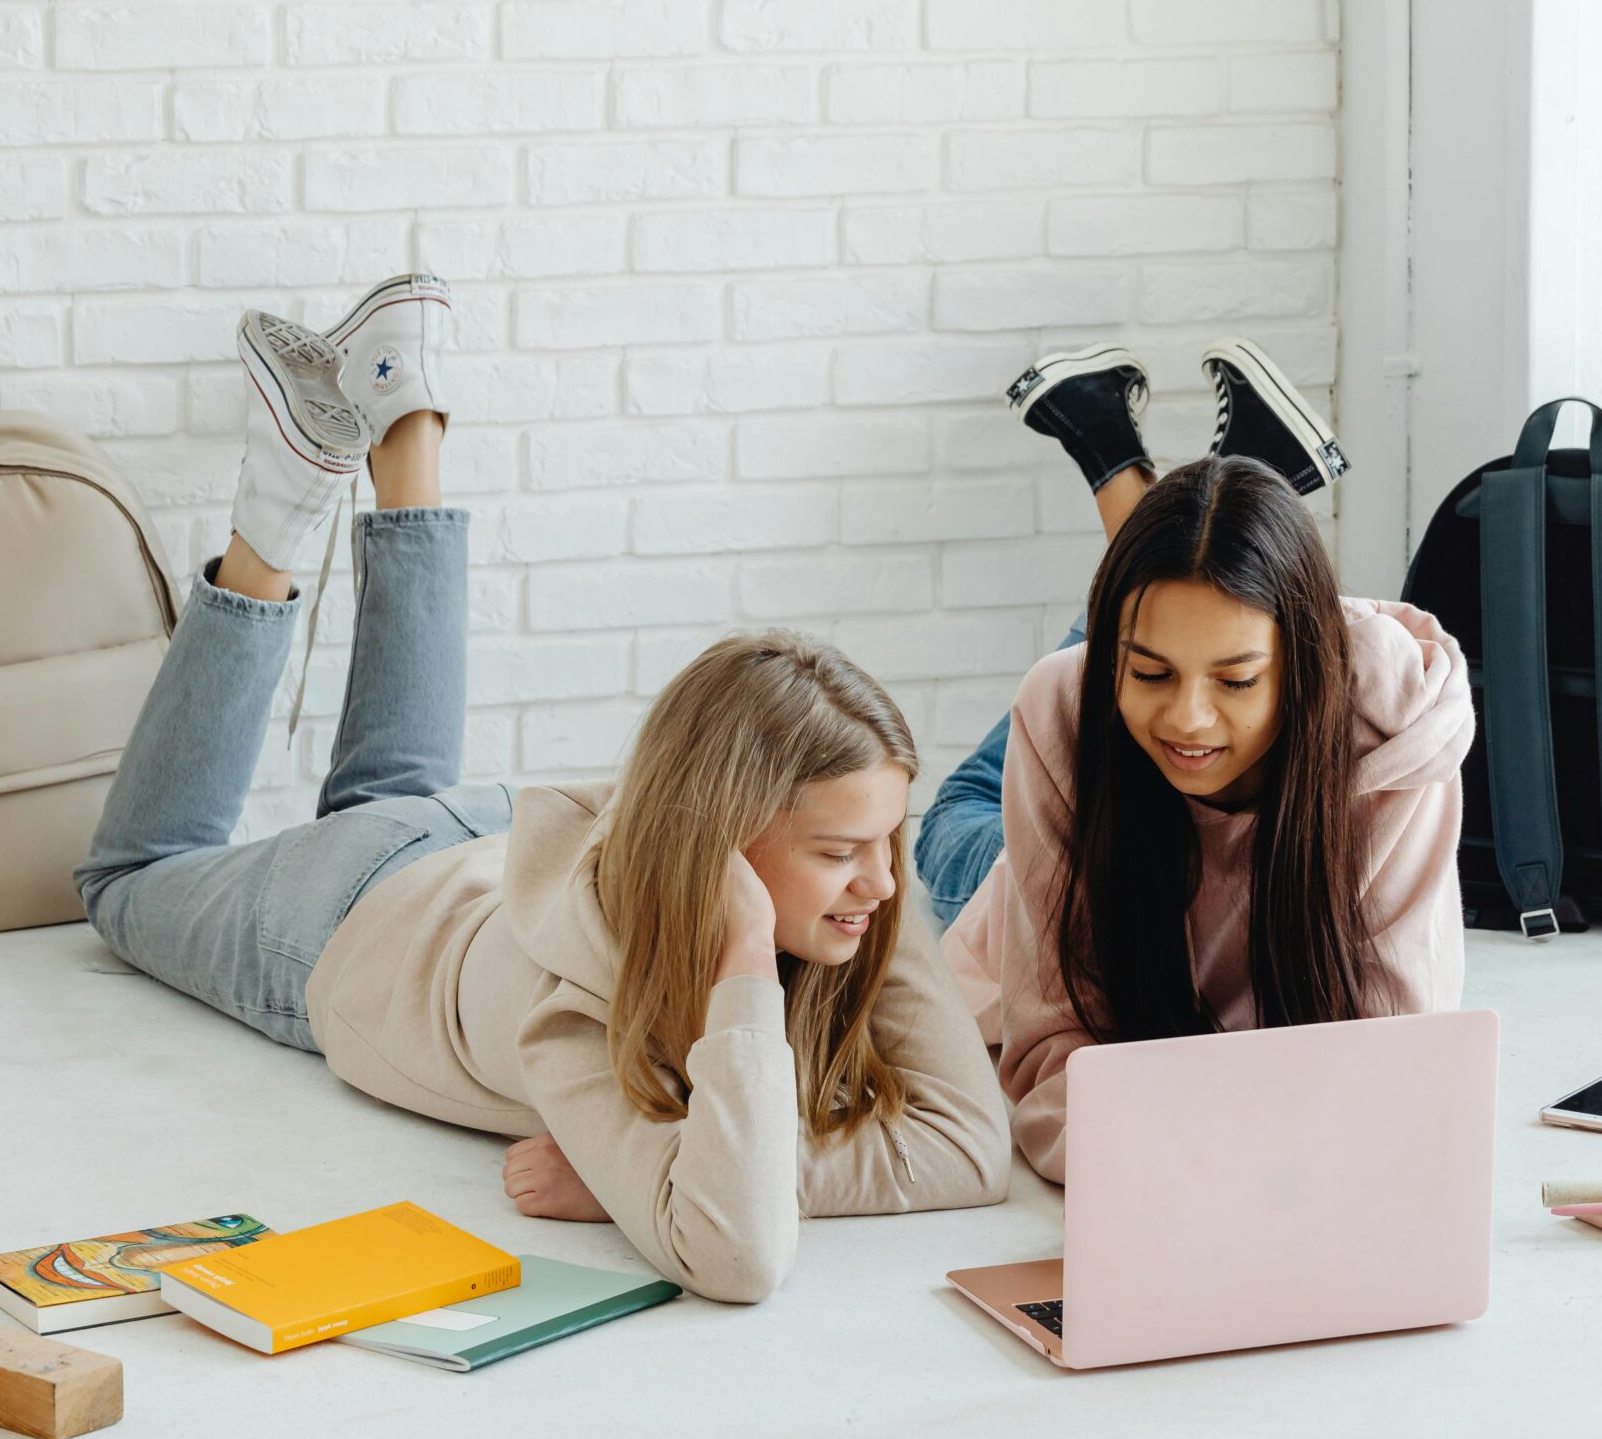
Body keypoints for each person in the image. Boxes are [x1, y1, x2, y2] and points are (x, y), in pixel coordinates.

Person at [75, 278, 1009, 1306]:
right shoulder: (577, 993)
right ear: (723, 852)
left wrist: (652, 1176)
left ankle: (409, 410)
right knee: (128, 879)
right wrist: (743, 962)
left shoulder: (856, 874)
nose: (886, 881)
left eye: (890, 837)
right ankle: (280, 513)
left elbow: (971, 1149)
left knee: (391, 789)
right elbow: (736, 1254)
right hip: (346, 908)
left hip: (485, 850)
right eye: (839, 852)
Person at [915, 338, 1474, 1183]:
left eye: (1237, 679)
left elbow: (1393, 1068)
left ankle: (1146, 479)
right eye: (1147, 674)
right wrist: (1204, 1157)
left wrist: (1207, 1144)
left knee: (961, 812)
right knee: (951, 828)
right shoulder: (1065, 706)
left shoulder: (1393, 733)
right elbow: (1048, 1058)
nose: (1187, 718)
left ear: (1305, 668)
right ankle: (1207, 495)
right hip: (1023, 877)